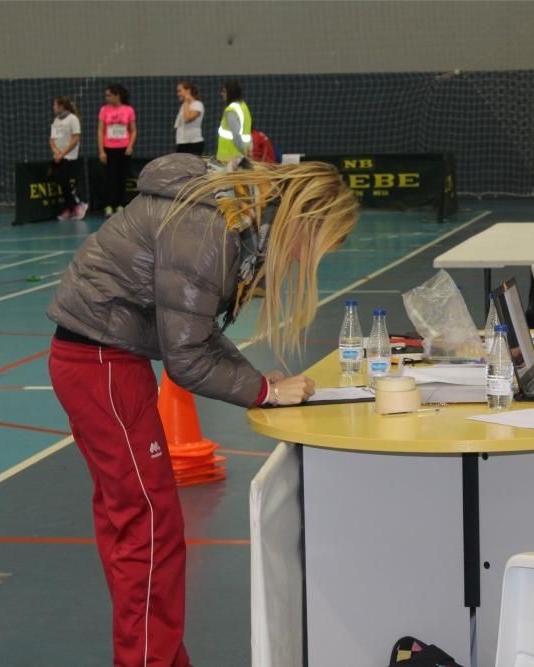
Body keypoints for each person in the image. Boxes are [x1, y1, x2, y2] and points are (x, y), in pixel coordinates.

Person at [46, 153, 359, 666]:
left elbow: (196, 329)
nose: (305, 261)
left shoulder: (228, 216)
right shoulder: (211, 228)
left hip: (105, 361)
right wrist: (263, 392)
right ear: (304, 220)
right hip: (100, 364)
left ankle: (161, 657)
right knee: (149, 530)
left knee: (139, 525)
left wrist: (260, 381)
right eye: (315, 246)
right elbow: (186, 359)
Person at [98, 82, 137, 217]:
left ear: (117, 96)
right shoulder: (104, 110)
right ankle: (109, 205)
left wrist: (130, 146)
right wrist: (101, 150)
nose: (106, 98)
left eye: (109, 95)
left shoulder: (128, 110)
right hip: (109, 148)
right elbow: (100, 130)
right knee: (110, 178)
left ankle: (120, 204)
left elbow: (133, 130)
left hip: (123, 149)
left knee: (122, 177)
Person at [49, 95, 88, 220]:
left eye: (55, 104)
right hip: (58, 157)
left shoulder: (73, 119)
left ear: (61, 106)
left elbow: (75, 138)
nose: (53, 107)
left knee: (63, 180)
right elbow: (52, 139)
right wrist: (55, 152)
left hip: (69, 157)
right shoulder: (56, 120)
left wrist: (63, 153)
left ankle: (76, 206)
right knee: (59, 180)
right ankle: (70, 207)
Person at [216, 79, 251, 162]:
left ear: (230, 93)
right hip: (240, 156)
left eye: (224, 92)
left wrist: (244, 152)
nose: (222, 94)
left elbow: (236, 135)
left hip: (229, 158)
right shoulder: (244, 107)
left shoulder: (231, 110)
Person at [174, 80, 204, 155]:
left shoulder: (197, 104)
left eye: (180, 91)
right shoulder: (184, 105)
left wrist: (187, 101)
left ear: (188, 91)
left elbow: (187, 119)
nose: (178, 94)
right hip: (183, 143)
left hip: (193, 144)